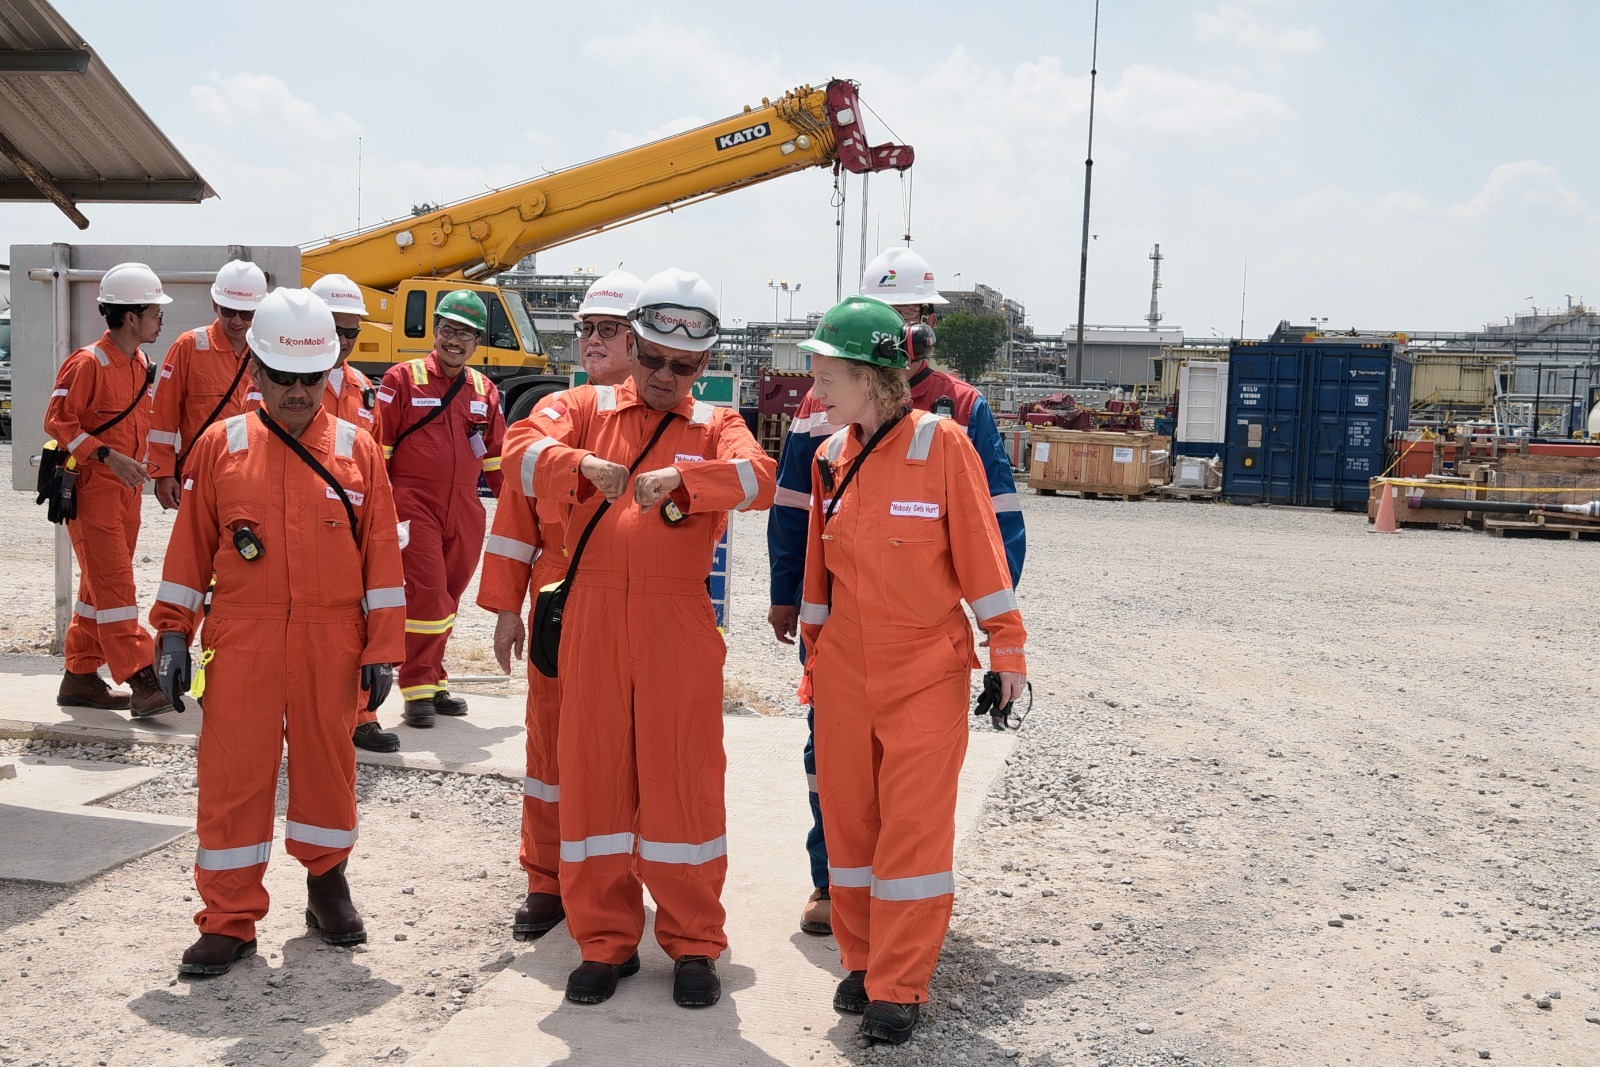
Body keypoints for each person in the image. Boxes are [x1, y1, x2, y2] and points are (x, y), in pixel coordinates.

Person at [501, 267, 774, 1009]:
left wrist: (690, 485)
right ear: (635, 342)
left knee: (682, 780)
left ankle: (692, 943)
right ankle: (603, 940)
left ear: (703, 366)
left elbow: (760, 478)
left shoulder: (713, 425)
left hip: (676, 625)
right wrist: (579, 464)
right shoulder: (584, 407)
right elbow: (518, 450)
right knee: (594, 777)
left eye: (681, 366)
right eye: (651, 357)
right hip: (591, 617)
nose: (661, 375)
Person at [767, 246, 1026, 936]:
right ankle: (835, 885)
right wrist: (786, 593)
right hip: (845, 633)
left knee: (909, 795)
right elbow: (796, 503)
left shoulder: (958, 410)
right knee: (835, 769)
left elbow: (994, 527)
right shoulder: (821, 407)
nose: (895, 324)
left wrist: (987, 624)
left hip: (919, 639)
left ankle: (899, 932)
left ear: (926, 323)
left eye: (908, 313)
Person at [150, 288, 405, 976]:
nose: (297, 392)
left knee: (329, 767)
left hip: (333, 641)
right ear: (254, 370)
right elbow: (188, 555)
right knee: (233, 776)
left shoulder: (359, 450)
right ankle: (229, 918)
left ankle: (327, 885)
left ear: (330, 373)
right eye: (282, 377)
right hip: (243, 638)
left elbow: (381, 555)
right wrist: (172, 632)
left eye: (310, 378)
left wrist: (383, 648)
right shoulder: (219, 447)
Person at [477, 269, 643, 943]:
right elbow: (516, 512)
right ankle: (545, 880)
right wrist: (504, 607)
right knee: (548, 752)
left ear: (641, 338)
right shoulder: (558, 409)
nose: (593, 341)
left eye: (610, 330)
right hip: (555, 602)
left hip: (629, 605)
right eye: (587, 329)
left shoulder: (659, 416)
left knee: (623, 753)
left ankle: (613, 879)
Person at [44, 262, 175, 717]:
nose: (161, 320)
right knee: (117, 585)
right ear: (131, 317)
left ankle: (80, 676)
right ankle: (141, 678)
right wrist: (106, 456)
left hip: (126, 493)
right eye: (156, 312)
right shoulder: (88, 362)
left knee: (97, 587)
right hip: (93, 490)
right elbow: (58, 422)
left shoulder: (140, 364)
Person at [377, 290, 505, 727]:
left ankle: (434, 678)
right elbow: (381, 451)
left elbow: (495, 457)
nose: (455, 340)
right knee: (427, 594)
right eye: (448, 330)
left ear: (476, 341)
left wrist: (518, 510)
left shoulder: (484, 389)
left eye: (465, 334)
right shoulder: (402, 378)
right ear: (436, 331)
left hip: (466, 507)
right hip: (414, 503)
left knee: (448, 598)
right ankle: (415, 688)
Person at [309, 273, 398, 754]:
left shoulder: (364, 388)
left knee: (362, 618)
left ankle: (362, 715)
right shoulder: (288, 381)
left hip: (354, 522)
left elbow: (375, 460)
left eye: (351, 333)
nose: (343, 343)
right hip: (301, 522)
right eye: (335, 332)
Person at [145, 259, 268, 510]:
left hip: (256, 475)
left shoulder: (269, 352)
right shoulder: (189, 346)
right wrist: (164, 473)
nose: (237, 321)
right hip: (199, 472)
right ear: (215, 305)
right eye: (228, 311)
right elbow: (163, 418)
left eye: (247, 314)